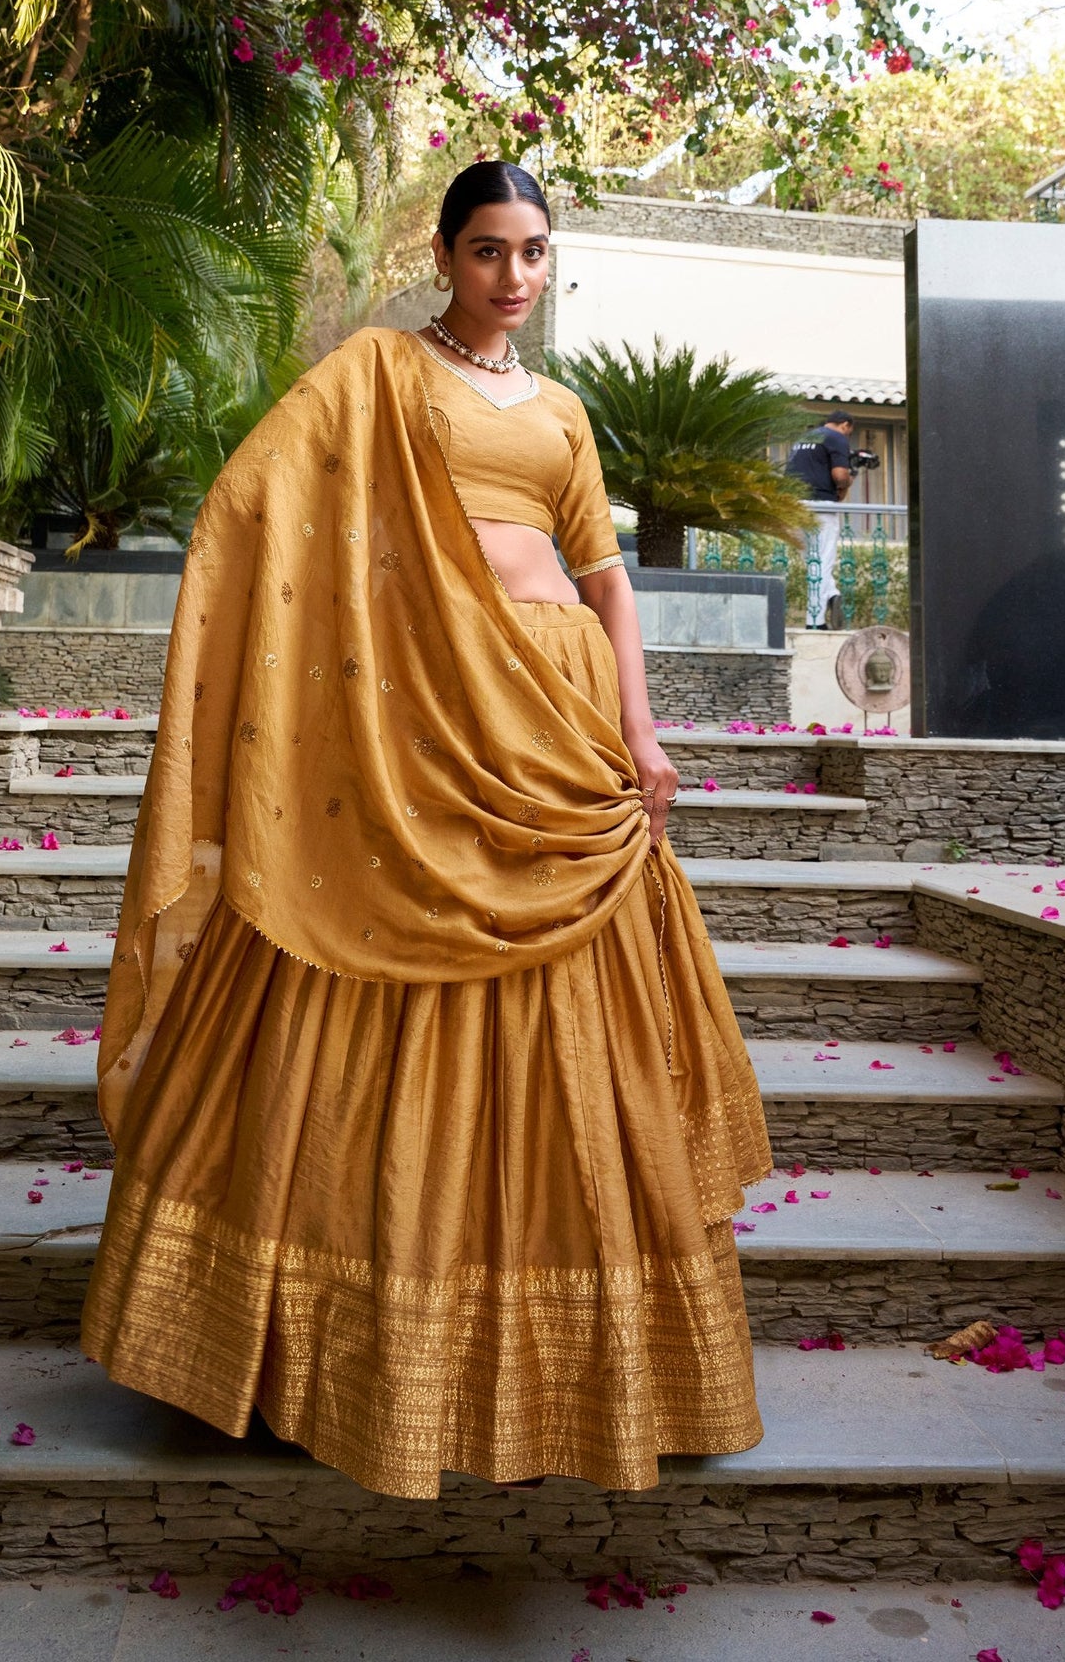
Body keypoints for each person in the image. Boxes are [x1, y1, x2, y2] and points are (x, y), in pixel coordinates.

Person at [81, 159, 771, 1500]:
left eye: (533, 250)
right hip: (421, 719)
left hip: (558, 714)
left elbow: (606, 579)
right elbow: (252, 505)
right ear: (445, 257)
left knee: (587, 1027)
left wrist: (639, 730)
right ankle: (308, 1350)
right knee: (355, 977)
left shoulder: (563, 414)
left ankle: (586, 1365)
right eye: (488, 249)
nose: (514, 274)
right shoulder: (375, 375)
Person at [786, 409, 855, 628]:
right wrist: (849, 480)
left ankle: (832, 594)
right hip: (820, 507)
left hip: (793, 505)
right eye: (849, 431)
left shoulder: (804, 438)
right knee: (823, 561)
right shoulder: (837, 437)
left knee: (812, 563)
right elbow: (840, 476)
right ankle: (814, 622)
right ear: (845, 425)